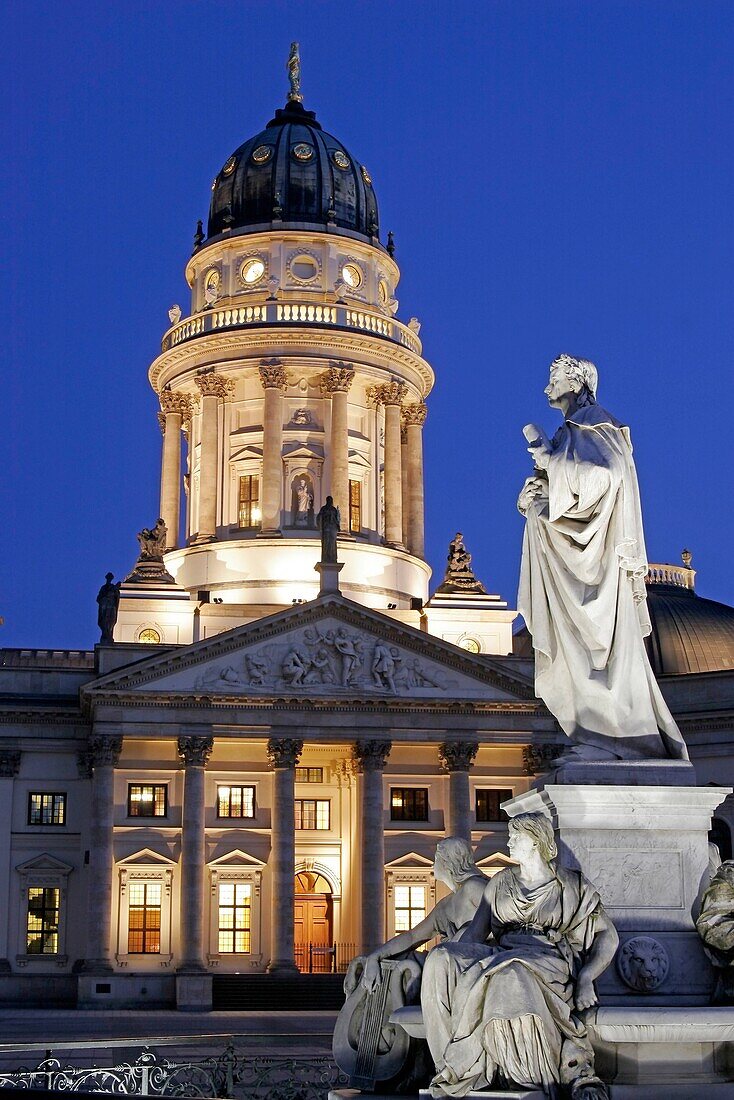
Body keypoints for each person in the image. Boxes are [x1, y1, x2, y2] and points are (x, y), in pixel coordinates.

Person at [517, 354, 689, 762]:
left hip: (595, 563)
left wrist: (549, 462)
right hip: (574, 554)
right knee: (576, 650)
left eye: (554, 377)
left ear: (575, 381)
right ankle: (597, 736)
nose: (546, 386)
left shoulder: (595, 422)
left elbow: (606, 475)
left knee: (598, 650)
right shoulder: (572, 430)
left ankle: (615, 738)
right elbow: (568, 495)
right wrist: (533, 497)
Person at [421, 813, 618, 1099]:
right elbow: (474, 936)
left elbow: (608, 935)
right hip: (502, 953)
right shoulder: (499, 882)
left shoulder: (570, 885)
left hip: (547, 958)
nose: (509, 841)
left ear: (536, 841)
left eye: (516, 836)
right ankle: (452, 1068)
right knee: (440, 959)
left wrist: (587, 977)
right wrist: (446, 950)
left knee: (510, 974)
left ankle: (527, 1076)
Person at [361, 837, 487, 994]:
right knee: (393, 962)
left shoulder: (475, 887)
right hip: (446, 963)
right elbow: (413, 936)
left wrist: (465, 935)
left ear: (448, 861)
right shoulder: (445, 905)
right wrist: (375, 956)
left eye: (436, 858)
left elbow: (500, 923)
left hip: (474, 965)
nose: (433, 864)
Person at [96, 573, 120, 644]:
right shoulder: (104, 587)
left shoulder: (113, 587)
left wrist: (115, 590)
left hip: (111, 606)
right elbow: (98, 598)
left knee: (111, 620)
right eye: (108, 578)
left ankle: (108, 634)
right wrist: (105, 598)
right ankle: (106, 635)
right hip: (105, 605)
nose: (109, 579)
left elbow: (116, 597)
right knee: (105, 620)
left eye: (110, 578)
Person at [316, 495, 340, 563]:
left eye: (331, 500)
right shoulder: (324, 508)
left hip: (332, 528)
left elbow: (336, 518)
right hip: (326, 528)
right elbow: (319, 517)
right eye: (329, 500)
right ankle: (326, 557)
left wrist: (338, 525)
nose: (330, 502)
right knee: (326, 542)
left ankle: (332, 556)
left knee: (332, 543)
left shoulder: (334, 509)